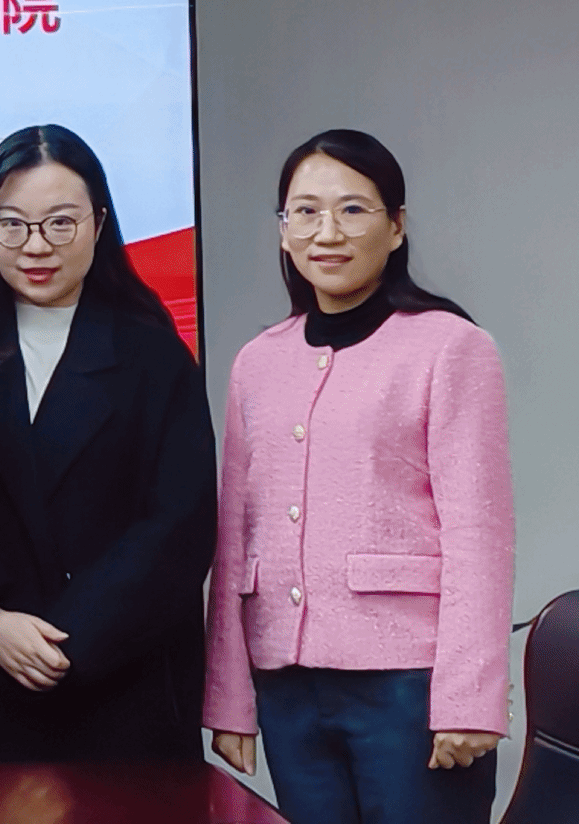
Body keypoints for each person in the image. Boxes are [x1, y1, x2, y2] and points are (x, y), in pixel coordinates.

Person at [205, 130, 514, 824]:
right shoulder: (258, 362)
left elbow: (479, 536)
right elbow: (236, 536)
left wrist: (469, 699)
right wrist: (229, 697)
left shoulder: (450, 346)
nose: (327, 232)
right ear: (283, 231)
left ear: (396, 226)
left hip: (409, 686)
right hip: (287, 687)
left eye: (352, 209)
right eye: (305, 212)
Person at [0, 125, 216, 763]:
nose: (37, 246)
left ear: (99, 223)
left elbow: (179, 523)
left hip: (122, 679)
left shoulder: (153, 353)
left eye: (61, 223)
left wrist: (74, 635)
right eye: (13, 225)